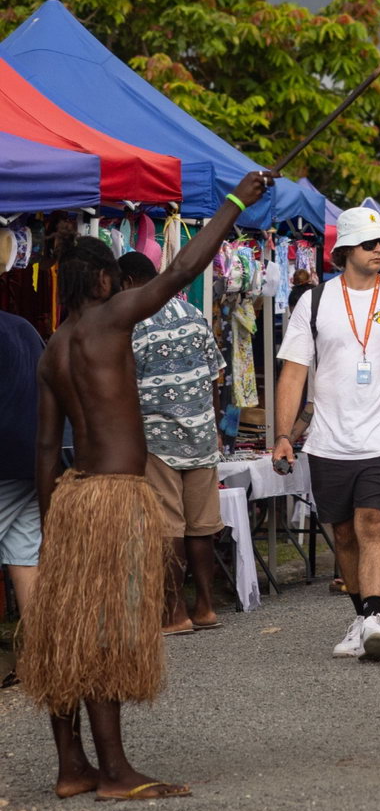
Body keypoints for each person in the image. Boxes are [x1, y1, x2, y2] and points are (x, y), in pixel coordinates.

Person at [18, 170, 272, 801]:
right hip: (115, 497)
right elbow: (182, 270)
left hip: (73, 498)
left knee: (67, 629)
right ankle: (115, 773)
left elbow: (47, 451)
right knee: (103, 631)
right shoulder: (111, 321)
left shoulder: (53, 349)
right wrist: (236, 201)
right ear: (103, 280)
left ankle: (71, 767)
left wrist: (53, 530)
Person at [272, 206, 380, 662]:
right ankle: (363, 616)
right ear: (345, 250)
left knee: (372, 523)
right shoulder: (315, 301)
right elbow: (292, 373)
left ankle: (377, 616)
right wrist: (283, 434)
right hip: (327, 441)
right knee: (342, 534)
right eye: (371, 244)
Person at [118, 251, 226, 636]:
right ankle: (206, 607)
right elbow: (216, 375)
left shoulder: (130, 322)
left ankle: (174, 611)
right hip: (201, 432)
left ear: (127, 281)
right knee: (201, 527)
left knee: (169, 529)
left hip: (157, 438)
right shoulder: (193, 314)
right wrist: (210, 425)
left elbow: (125, 388)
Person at [0, 310, 45, 682]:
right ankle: (40, 658)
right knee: (24, 554)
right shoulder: (23, 327)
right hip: (36, 459)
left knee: (26, 553)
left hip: (7, 458)